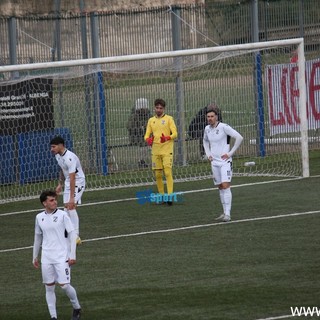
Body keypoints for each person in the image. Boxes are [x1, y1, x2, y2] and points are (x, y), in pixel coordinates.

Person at [32, 190, 82, 320]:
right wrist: (35, 256)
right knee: (49, 287)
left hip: (62, 257)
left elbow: (72, 235)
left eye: (55, 199)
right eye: (51, 200)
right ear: (44, 203)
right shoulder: (39, 217)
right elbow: (38, 237)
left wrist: (72, 255)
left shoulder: (63, 215)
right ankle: (53, 317)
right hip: (47, 257)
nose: (55, 202)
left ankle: (76, 307)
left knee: (64, 285)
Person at [203, 104, 243, 222]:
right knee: (220, 187)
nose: (210, 118)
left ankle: (228, 214)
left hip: (225, 162)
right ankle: (224, 212)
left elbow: (239, 137)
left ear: (216, 117)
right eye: (208, 116)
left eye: (212, 116)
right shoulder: (207, 129)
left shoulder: (224, 127)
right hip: (214, 162)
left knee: (225, 185)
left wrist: (230, 153)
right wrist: (208, 154)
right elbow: (205, 141)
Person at [50, 136, 85, 245]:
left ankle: (76, 236)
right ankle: (69, 233)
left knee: (71, 206)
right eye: (51, 147)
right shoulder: (58, 156)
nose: (52, 149)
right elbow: (62, 169)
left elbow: (73, 177)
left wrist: (71, 197)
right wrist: (60, 183)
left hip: (77, 182)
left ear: (61, 145)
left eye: (53, 146)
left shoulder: (70, 157)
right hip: (68, 182)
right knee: (66, 208)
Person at [144, 98, 178, 205]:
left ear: (164, 109)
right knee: (158, 175)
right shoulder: (151, 120)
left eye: (161, 108)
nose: (158, 110)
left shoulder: (169, 119)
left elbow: (175, 134)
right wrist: (148, 140)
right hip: (155, 150)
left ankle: (170, 196)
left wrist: (167, 138)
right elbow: (146, 135)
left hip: (167, 150)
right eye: (157, 108)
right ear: (154, 108)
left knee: (167, 172)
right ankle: (162, 196)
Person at [126, 98, 151, 168]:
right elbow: (129, 126)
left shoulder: (148, 114)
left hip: (145, 135)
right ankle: (141, 161)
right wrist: (140, 128)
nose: (144, 110)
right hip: (136, 136)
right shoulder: (134, 116)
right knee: (145, 144)